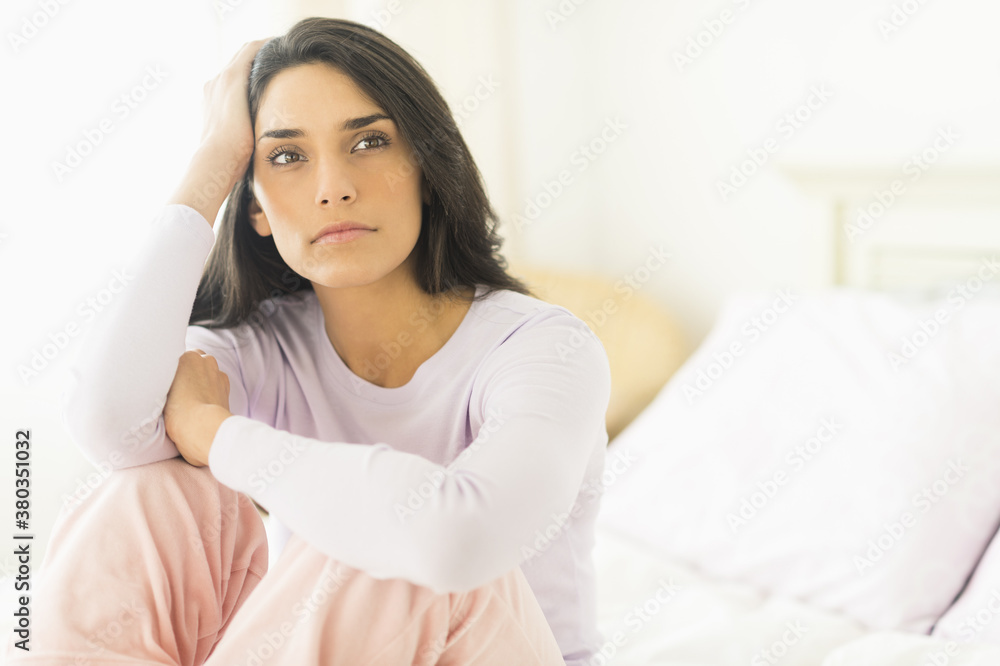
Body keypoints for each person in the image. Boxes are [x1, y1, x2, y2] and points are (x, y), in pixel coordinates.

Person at [4, 16, 611, 666]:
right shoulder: (267, 346)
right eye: (287, 156)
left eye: (370, 142)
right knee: (153, 490)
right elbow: (109, 426)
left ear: (428, 169)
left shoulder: (544, 348)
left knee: (391, 547)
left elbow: (459, 541)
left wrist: (215, 435)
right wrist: (212, 160)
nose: (333, 188)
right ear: (257, 207)